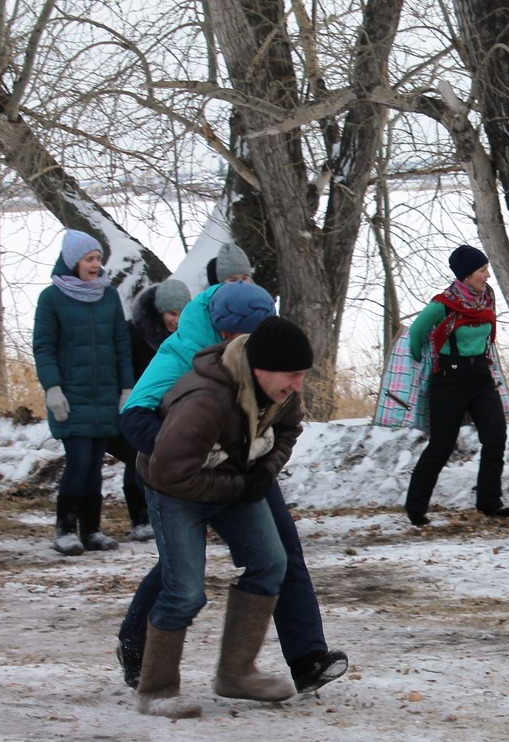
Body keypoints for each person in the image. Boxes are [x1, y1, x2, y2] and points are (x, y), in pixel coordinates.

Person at [117, 275, 348, 696]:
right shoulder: (184, 355)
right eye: (248, 336)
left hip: (244, 462)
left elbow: (289, 423)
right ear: (225, 332)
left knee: (278, 553)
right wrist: (205, 457)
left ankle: (305, 656)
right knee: (181, 570)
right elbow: (134, 417)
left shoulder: (273, 364)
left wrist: (258, 468)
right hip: (187, 470)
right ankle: (137, 646)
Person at [133, 317, 312, 718]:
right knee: (185, 590)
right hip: (173, 489)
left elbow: (290, 430)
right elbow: (169, 472)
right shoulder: (205, 401)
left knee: (271, 564)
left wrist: (265, 471)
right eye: (292, 375)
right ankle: (156, 690)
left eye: (302, 375)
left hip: (231, 480)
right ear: (261, 368)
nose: (297, 385)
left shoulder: (281, 394)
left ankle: (237, 673)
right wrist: (237, 487)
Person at [33, 230, 134, 556]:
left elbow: (121, 345)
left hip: (105, 394)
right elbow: (44, 347)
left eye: (98, 259)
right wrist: (53, 388)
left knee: (94, 466)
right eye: (90, 259)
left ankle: (91, 530)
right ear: (73, 261)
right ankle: (64, 529)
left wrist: (126, 388)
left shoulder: (108, 296)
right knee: (79, 461)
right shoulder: (51, 298)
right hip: (71, 395)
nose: (96, 265)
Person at [404, 245, 509, 527]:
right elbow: (417, 333)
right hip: (450, 380)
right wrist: (424, 362)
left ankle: (489, 502)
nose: (487, 275)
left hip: (480, 376)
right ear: (466, 275)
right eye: (482, 270)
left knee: (496, 436)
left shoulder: (486, 298)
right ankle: (415, 508)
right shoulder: (443, 303)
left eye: (486, 268)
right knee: (442, 445)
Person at [106, 278, 192, 541]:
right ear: (159, 312)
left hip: (172, 409)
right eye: (171, 313)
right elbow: (122, 365)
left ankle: (166, 515)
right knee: (136, 462)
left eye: (182, 313)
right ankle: (139, 518)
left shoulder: (189, 337)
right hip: (137, 407)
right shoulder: (134, 333)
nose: (176, 320)